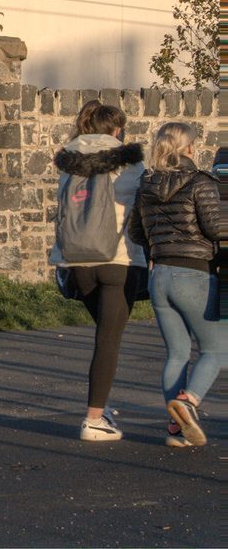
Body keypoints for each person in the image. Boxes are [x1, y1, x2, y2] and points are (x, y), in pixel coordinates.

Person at [47, 100, 145, 441]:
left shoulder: (67, 163)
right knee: (108, 340)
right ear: (117, 129)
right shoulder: (129, 162)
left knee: (104, 334)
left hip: (77, 261)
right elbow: (139, 204)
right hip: (117, 260)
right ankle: (94, 418)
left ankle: (100, 403)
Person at [128, 122, 225, 448]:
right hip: (194, 274)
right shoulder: (200, 181)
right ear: (186, 148)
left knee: (177, 353)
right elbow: (214, 228)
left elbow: (136, 233)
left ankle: (177, 427)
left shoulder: (147, 185)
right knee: (216, 348)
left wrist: (158, 250)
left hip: (159, 277)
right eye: (193, 144)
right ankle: (188, 402)